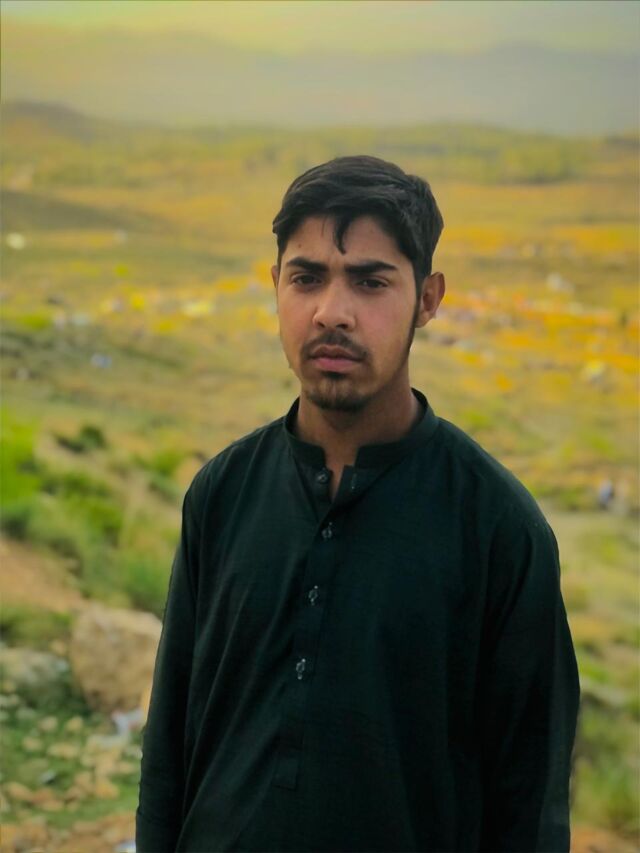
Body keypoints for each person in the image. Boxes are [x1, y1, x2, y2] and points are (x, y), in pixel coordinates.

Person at [136, 155, 580, 852]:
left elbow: (530, 807)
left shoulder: (498, 529)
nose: (331, 312)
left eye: (371, 282)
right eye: (306, 277)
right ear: (274, 286)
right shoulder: (222, 492)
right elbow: (168, 752)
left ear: (427, 299)